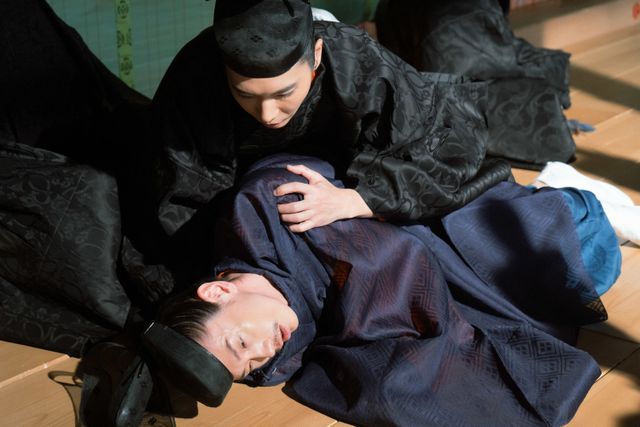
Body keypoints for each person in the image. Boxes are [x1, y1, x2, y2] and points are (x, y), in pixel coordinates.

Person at [130, 153, 638, 427]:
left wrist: (358, 206)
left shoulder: (264, 206)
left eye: (242, 342)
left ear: (217, 293)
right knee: (393, 388)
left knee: (585, 254)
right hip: (447, 290)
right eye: (248, 366)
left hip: (451, 235)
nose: (263, 352)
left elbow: (396, 258)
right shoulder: (274, 332)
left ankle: (564, 191)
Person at [145, 0, 512, 246]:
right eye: (245, 94)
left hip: (349, 179)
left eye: (284, 92)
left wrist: (358, 200)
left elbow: (438, 139)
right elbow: (181, 192)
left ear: (317, 54)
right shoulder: (195, 76)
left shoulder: (354, 57)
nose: (268, 114)